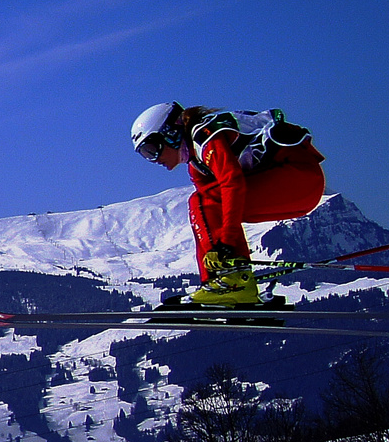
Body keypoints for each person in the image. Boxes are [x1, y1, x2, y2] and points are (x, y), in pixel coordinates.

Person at [131, 102, 326, 306]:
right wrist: (212, 272)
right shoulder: (197, 166)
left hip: (298, 177)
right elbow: (210, 220)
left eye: (152, 149)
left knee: (201, 201)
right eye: (146, 155)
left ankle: (233, 283)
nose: (153, 159)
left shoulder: (206, 136)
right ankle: (226, 284)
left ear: (170, 133)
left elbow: (232, 183)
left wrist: (227, 242)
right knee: (203, 204)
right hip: (294, 189)